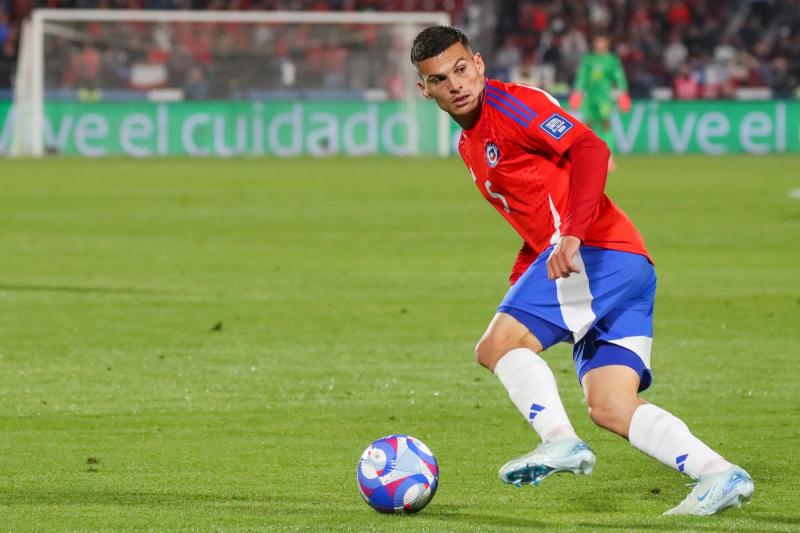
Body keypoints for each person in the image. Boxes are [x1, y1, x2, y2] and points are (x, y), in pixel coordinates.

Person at [409, 25, 754, 516]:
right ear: (425, 89)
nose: (456, 84)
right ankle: (719, 474)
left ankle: (559, 440)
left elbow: (591, 149)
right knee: (611, 405)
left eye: (461, 69)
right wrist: (524, 276)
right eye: (440, 79)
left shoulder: (510, 105)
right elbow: (535, 216)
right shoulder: (471, 144)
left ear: (480, 63)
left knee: (496, 347)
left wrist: (571, 233)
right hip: (625, 264)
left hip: (598, 252)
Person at [568, 33, 630, 162]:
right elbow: (582, 77)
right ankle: (586, 154)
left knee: (605, 124)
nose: (599, 45)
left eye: (602, 42)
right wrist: (577, 92)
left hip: (604, 98)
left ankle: (608, 156)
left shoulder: (612, 60)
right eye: (597, 42)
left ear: (607, 43)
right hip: (590, 98)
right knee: (587, 125)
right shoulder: (588, 59)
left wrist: (623, 94)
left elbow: (618, 77)